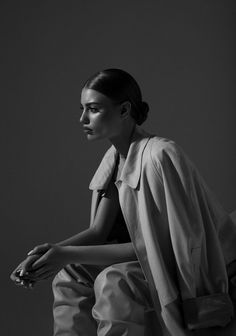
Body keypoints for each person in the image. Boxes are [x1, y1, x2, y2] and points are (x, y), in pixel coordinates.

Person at [10, 68, 236, 336]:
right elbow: (98, 232)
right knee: (69, 274)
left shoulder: (160, 156)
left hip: (186, 265)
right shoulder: (114, 158)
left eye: (93, 109)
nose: (82, 118)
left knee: (112, 281)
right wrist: (50, 253)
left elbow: (161, 248)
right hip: (150, 258)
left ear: (124, 110)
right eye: (82, 108)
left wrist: (65, 253)